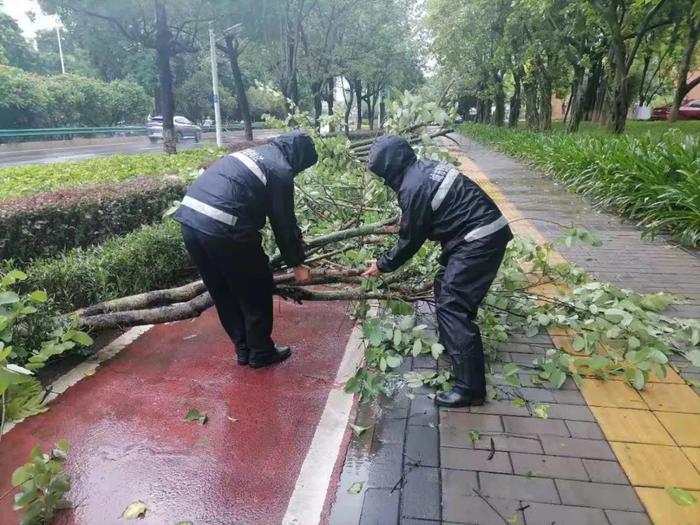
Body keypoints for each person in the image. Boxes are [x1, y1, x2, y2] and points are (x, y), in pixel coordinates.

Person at [362, 136, 512, 408]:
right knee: (444, 284)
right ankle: (455, 346)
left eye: (384, 175)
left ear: (391, 168)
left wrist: (382, 264)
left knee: (453, 305)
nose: (385, 181)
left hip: (478, 239)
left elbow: (410, 241)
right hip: (484, 232)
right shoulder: (425, 168)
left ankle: (470, 388)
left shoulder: (412, 187)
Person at [174, 131, 317, 368]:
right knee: (256, 288)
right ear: (299, 157)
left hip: (190, 222)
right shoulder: (280, 170)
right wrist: (297, 264)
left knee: (223, 291)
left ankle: (243, 349)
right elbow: (283, 223)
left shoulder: (253, 154)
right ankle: (261, 352)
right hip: (224, 228)